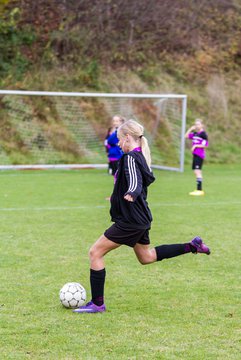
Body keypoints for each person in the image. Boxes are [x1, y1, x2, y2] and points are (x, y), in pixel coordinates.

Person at [73, 119, 211, 314]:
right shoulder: (140, 157)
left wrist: (131, 192)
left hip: (131, 220)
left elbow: (135, 182)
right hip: (141, 219)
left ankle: (97, 304)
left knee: (95, 253)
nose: (119, 144)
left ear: (128, 137)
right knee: (146, 257)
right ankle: (192, 246)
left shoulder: (130, 157)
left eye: (120, 140)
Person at [185, 119, 208, 196]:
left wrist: (195, 145)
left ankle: (199, 190)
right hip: (195, 155)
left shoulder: (203, 134)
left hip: (199, 155)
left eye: (198, 124)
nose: (196, 125)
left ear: (202, 125)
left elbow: (205, 145)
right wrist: (190, 129)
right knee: (196, 171)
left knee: (197, 171)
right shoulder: (195, 133)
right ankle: (198, 189)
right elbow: (186, 136)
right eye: (195, 124)